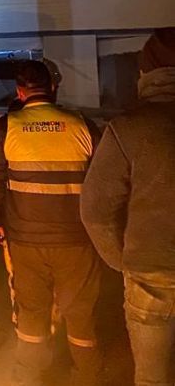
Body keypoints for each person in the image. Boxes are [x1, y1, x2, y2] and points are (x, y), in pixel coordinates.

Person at [0, 60, 100, 386]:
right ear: (53, 88)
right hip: (77, 240)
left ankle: (29, 378)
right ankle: (87, 378)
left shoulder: (6, 127)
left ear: (20, 92)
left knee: (32, 311)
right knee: (80, 314)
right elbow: (104, 184)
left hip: (25, 241)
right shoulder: (83, 125)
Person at [81, 28, 175, 386]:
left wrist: (122, 260)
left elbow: (95, 211)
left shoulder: (128, 130)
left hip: (149, 276)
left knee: (152, 377)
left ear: (145, 74)